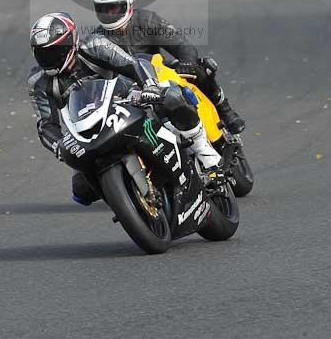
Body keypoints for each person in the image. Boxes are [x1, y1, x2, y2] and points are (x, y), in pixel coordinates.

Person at [29, 12, 222, 205]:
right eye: (42, 53)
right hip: (88, 130)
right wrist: (59, 146)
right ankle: (130, 198)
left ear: (71, 42)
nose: (49, 58)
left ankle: (204, 153)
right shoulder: (38, 82)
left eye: (55, 51)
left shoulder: (94, 46)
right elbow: (46, 125)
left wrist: (150, 87)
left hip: (128, 99)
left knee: (172, 96)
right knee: (82, 191)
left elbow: (132, 65)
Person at [92, 0, 245, 135]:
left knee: (203, 67)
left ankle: (225, 110)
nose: (109, 14)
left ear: (128, 5)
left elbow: (181, 45)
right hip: (127, 92)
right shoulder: (96, 40)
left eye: (114, 8)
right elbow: (91, 78)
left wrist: (187, 62)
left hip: (160, 75)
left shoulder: (147, 21)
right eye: (104, 9)